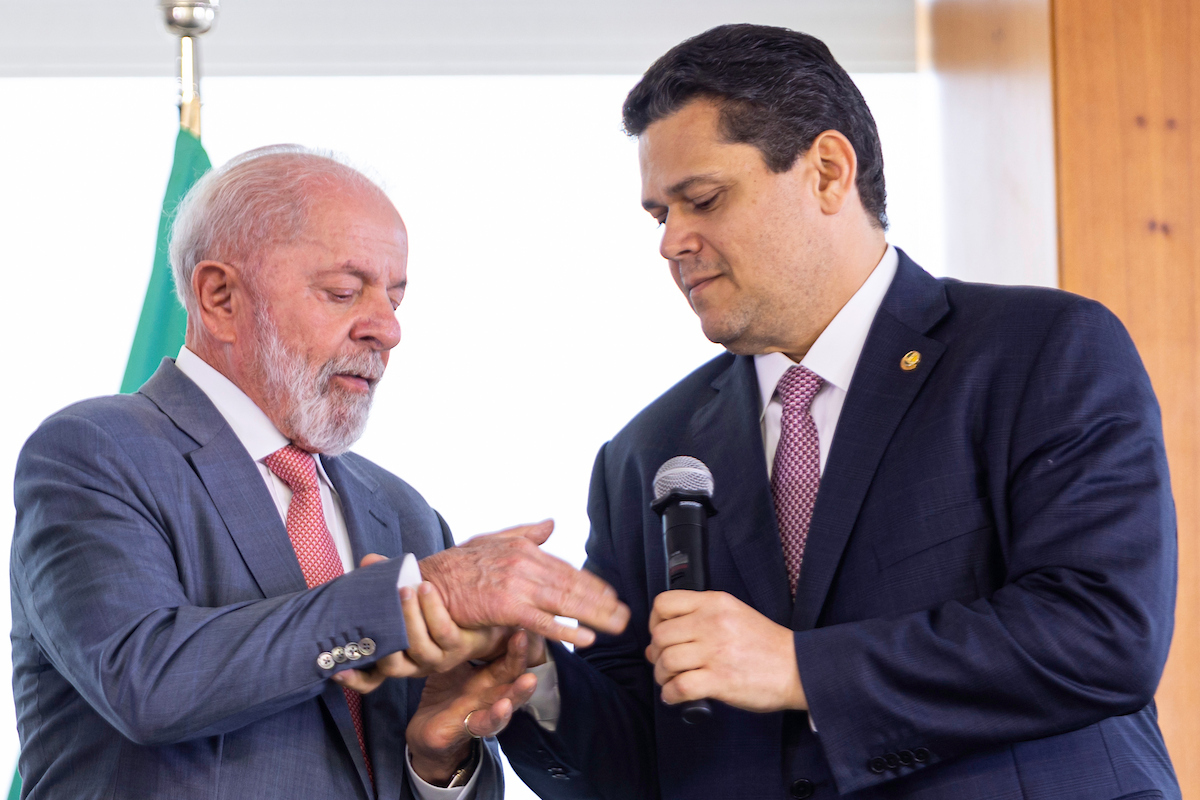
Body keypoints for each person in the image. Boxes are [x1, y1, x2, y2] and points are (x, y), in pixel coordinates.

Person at [489, 23, 1181, 800]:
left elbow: (1103, 632)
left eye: (703, 200)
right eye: (660, 216)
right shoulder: (645, 454)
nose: (672, 242)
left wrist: (800, 670)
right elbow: (636, 764)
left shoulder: (1039, 350)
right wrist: (531, 673)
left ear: (826, 172)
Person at [9, 145, 628, 799]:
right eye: (343, 292)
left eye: (395, 299)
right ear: (220, 297)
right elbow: (146, 683)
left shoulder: (404, 512)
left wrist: (437, 758)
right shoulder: (96, 451)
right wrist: (413, 593)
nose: (387, 330)